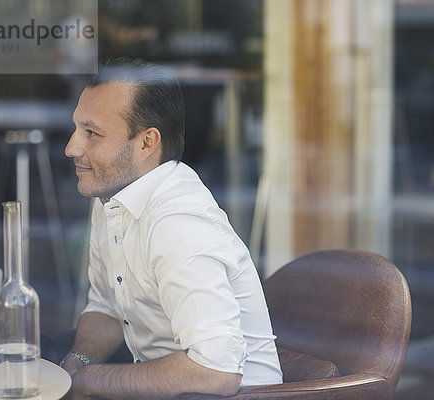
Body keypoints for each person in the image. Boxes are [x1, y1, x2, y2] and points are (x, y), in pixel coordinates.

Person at [61, 57, 282, 399]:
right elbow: (107, 307)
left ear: (147, 142)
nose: (71, 147)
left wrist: (92, 381)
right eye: (77, 129)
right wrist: (77, 363)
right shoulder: (111, 198)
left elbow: (216, 371)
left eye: (92, 133)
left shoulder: (177, 221)